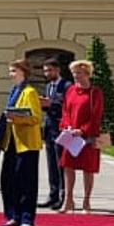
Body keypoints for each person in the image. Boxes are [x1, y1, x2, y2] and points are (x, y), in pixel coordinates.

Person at [0, 59, 45, 226]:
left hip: (27, 144)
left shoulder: (30, 92)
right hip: (11, 142)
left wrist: (17, 118)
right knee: (8, 180)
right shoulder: (14, 91)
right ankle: (12, 215)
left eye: (13, 71)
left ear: (23, 72)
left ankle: (26, 218)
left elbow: (36, 118)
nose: (10, 74)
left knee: (26, 182)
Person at [60, 60, 108, 213]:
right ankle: (68, 200)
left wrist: (82, 130)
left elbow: (96, 115)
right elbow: (66, 111)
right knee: (68, 166)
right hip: (71, 135)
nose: (75, 76)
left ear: (87, 74)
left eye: (79, 73)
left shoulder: (95, 92)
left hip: (87, 136)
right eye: (74, 73)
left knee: (88, 168)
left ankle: (86, 201)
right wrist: (67, 126)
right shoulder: (71, 90)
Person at [39, 58, 74, 209]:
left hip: (61, 129)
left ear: (57, 70)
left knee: (61, 163)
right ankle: (52, 195)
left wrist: (51, 103)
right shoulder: (48, 86)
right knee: (51, 164)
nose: (47, 73)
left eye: (50, 70)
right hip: (49, 128)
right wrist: (43, 104)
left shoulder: (67, 86)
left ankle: (63, 196)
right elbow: (50, 106)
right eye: (45, 71)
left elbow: (68, 106)